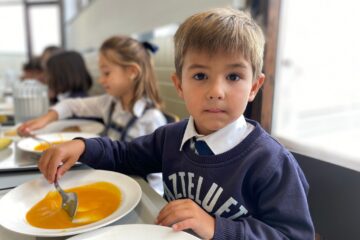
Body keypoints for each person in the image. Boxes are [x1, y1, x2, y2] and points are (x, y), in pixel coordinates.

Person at [37, 8, 314, 240]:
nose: (216, 90)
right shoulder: (170, 138)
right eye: (200, 76)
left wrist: (217, 227)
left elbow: (292, 235)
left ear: (254, 86)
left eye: (233, 77)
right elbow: (126, 155)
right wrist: (82, 147)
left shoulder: (271, 162)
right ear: (179, 85)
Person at [18, 35, 167, 194]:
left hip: (136, 192)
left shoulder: (152, 119)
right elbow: (71, 105)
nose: (101, 80)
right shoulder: (109, 103)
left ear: (132, 72)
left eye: (107, 73)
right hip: (109, 181)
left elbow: (157, 181)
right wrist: (44, 119)